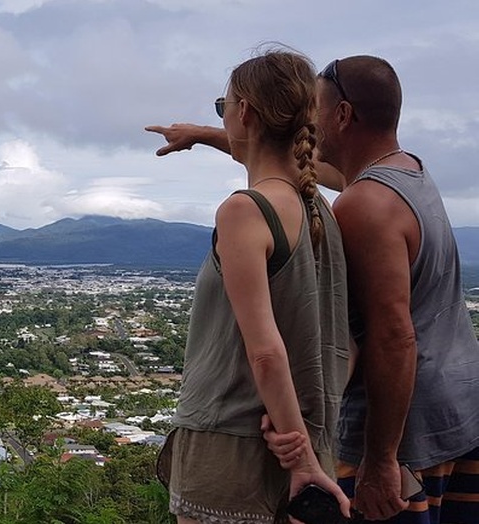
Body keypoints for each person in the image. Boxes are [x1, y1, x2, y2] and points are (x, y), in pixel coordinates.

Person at [148, 55, 479, 524]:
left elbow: (385, 337)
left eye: (226, 106)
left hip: (356, 436)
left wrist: (353, 453)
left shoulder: (343, 206)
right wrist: (207, 134)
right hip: (437, 414)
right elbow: (347, 340)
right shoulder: (364, 190)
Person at [153, 49, 351, 524]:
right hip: (305, 437)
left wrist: (298, 457)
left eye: (224, 108)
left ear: (244, 112)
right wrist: (303, 446)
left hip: (233, 444)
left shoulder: (246, 211)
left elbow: (265, 351)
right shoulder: (319, 208)